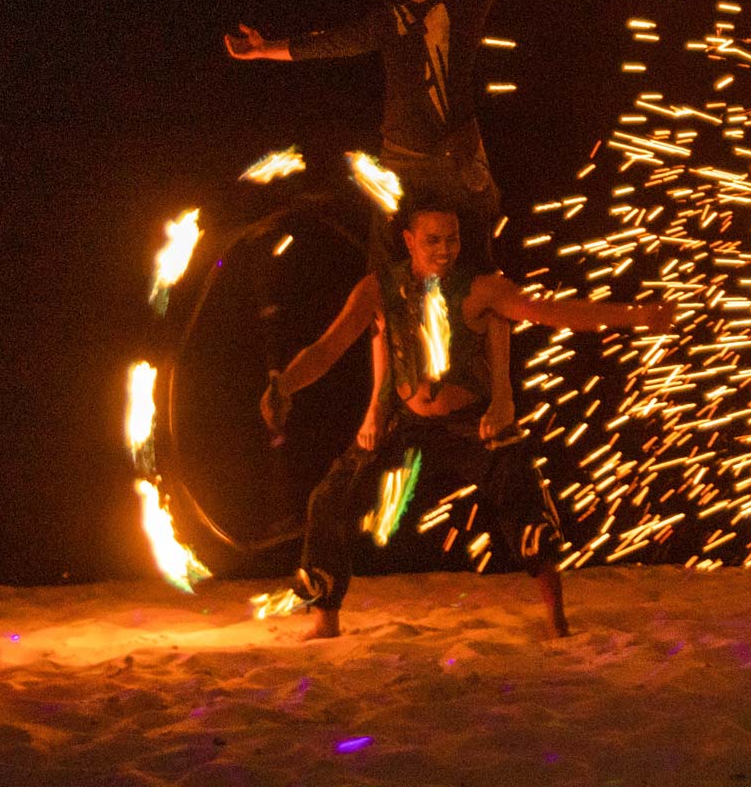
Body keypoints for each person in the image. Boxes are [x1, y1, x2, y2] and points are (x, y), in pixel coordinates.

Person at [260, 199, 674, 639]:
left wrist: (637, 317)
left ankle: (557, 620)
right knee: (329, 498)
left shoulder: (481, 289)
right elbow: (327, 349)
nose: (443, 249)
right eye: (432, 240)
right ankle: (325, 618)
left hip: (468, 422)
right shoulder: (378, 289)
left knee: (523, 499)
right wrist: (283, 386)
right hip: (404, 419)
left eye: (451, 239)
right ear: (408, 241)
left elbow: (551, 311)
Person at [227, 0, 512, 274]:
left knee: (474, 268)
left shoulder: (463, 9)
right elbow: (332, 43)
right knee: (386, 270)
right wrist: (265, 48)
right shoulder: (389, 20)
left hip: (455, 161)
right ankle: (390, 337)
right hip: (400, 163)